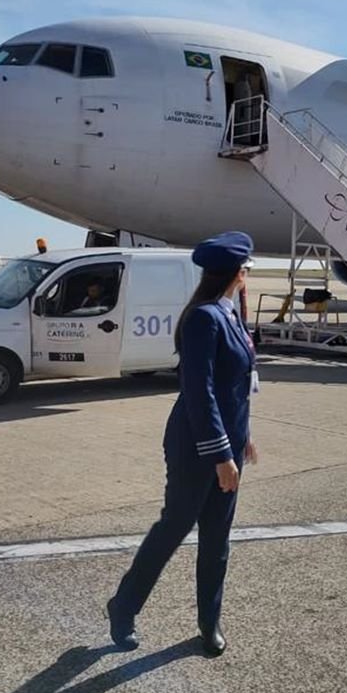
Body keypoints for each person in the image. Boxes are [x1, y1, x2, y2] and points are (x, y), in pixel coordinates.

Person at [107, 231, 258, 656]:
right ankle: (123, 606)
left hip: (227, 443)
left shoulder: (229, 314)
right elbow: (199, 391)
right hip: (197, 446)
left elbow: (236, 387)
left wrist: (244, 438)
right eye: (246, 269)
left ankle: (209, 622)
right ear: (236, 273)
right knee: (174, 527)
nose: (248, 275)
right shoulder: (204, 319)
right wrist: (222, 454)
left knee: (217, 538)